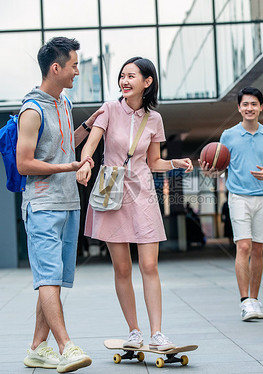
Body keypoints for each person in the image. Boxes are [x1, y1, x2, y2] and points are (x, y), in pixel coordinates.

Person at [76, 57, 193, 350]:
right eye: (122, 76)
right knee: (123, 268)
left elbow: (153, 162)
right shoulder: (109, 109)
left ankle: (157, 333)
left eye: (131, 76)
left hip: (142, 195)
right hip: (111, 193)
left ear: (147, 82)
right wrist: (87, 161)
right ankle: (134, 331)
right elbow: (92, 140)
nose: (124, 81)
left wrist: (175, 162)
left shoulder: (154, 119)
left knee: (150, 265)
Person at [17, 36, 102, 373]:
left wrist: (89, 125)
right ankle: (66, 346)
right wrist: (68, 166)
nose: (77, 72)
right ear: (56, 68)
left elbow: (66, 145)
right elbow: (25, 164)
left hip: (68, 203)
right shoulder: (32, 110)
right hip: (41, 205)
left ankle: (37, 347)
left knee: (55, 278)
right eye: (74, 66)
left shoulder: (64, 104)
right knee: (48, 277)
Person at [200, 87, 263, 321]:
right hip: (237, 197)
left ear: (261, 107)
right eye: (245, 104)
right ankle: (245, 301)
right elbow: (220, 168)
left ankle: (255, 300)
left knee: (257, 249)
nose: (249, 108)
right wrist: (210, 173)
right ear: (239, 108)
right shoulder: (228, 135)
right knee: (243, 247)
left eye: (254, 104)